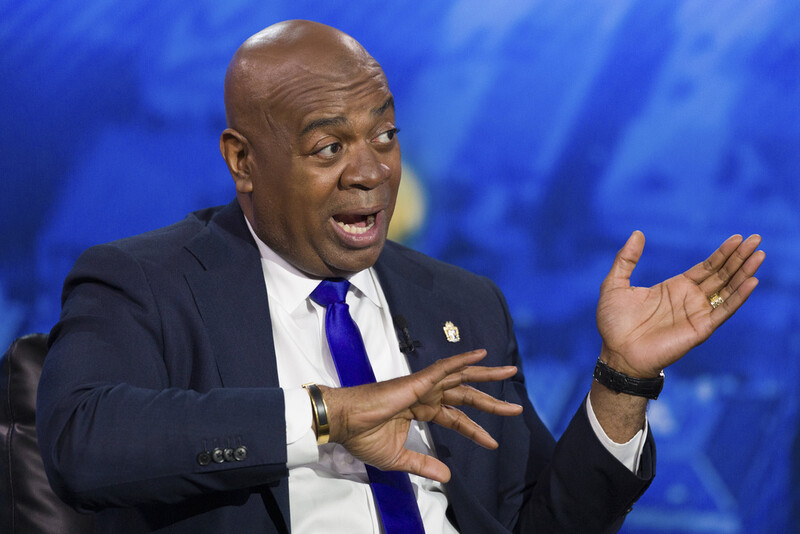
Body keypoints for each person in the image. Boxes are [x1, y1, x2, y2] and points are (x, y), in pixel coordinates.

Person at [36, 19, 764, 534]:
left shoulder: (462, 302)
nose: (371, 172)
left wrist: (620, 382)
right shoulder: (147, 282)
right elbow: (84, 445)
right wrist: (329, 415)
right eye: (329, 147)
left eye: (385, 137)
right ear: (242, 160)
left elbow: (544, 521)